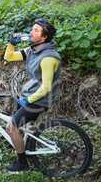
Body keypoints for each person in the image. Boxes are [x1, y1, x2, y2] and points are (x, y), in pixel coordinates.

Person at [4, 18, 62, 172]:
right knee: (16, 125)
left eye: (36, 30)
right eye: (32, 29)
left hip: (39, 100)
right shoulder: (32, 50)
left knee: (11, 127)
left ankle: (22, 164)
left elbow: (46, 87)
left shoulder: (48, 57)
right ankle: (24, 143)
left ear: (44, 37)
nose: (31, 32)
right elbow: (9, 57)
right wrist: (11, 43)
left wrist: (27, 100)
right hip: (31, 96)